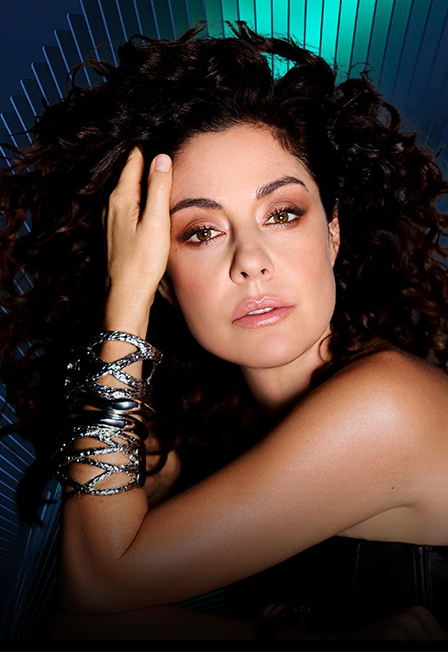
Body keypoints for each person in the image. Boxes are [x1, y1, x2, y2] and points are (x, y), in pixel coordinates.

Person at [1, 21, 448, 642]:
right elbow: (81, 627)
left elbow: (98, 581)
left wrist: (124, 307)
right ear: (161, 274)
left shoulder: (386, 406)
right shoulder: (212, 426)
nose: (250, 260)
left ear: (333, 233)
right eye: (201, 232)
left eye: (282, 214)